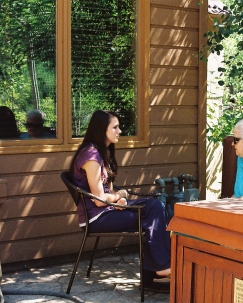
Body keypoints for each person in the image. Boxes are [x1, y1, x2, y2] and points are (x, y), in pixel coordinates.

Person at [69, 110, 171, 292]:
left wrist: (118, 202)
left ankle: (157, 270)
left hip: (107, 211)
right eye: (115, 127)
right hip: (96, 218)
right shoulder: (91, 157)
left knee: (154, 206)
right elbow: (100, 200)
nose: (120, 131)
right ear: (102, 130)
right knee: (151, 217)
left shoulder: (101, 152)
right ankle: (158, 270)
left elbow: (106, 192)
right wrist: (119, 196)